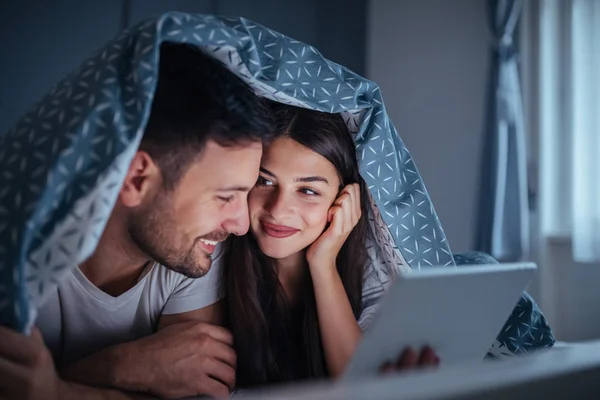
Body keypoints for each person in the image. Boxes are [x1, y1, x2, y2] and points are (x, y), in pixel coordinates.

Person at [0, 43, 276, 400]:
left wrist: (64, 385)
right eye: (225, 196)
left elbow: (195, 389)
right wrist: (120, 370)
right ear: (136, 180)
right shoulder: (16, 248)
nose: (241, 224)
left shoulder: (195, 246)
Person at [223, 103, 439, 388]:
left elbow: (359, 389)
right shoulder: (215, 257)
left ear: (345, 198)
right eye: (264, 181)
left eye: (308, 190)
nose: (278, 209)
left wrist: (323, 264)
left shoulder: (372, 268)